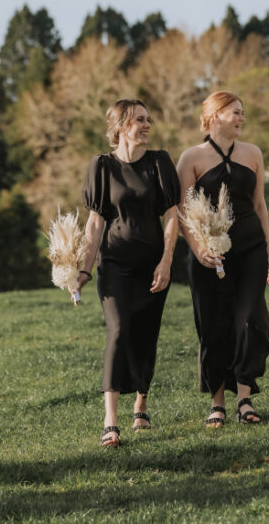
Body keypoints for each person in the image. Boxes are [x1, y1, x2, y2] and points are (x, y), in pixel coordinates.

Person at [79, 99, 181, 447]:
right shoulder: (102, 166)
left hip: (153, 264)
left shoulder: (160, 162)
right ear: (121, 126)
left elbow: (171, 216)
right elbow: (95, 223)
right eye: (140, 120)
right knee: (119, 330)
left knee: (145, 336)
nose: (147, 125)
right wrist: (83, 268)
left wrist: (167, 261)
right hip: (115, 265)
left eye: (148, 119)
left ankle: (141, 402)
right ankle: (110, 420)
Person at [176, 91, 269, 427]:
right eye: (235, 112)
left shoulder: (253, 153)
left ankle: (245, 399)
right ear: (215, 115)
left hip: (251, 249)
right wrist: (198, 249)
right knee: (215, 325)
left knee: (254, 323)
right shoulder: (191, 157)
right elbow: (182, 212)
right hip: (210, 256)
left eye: (242, 113)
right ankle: (218, 403)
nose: (241, 118)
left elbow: (260, 205)